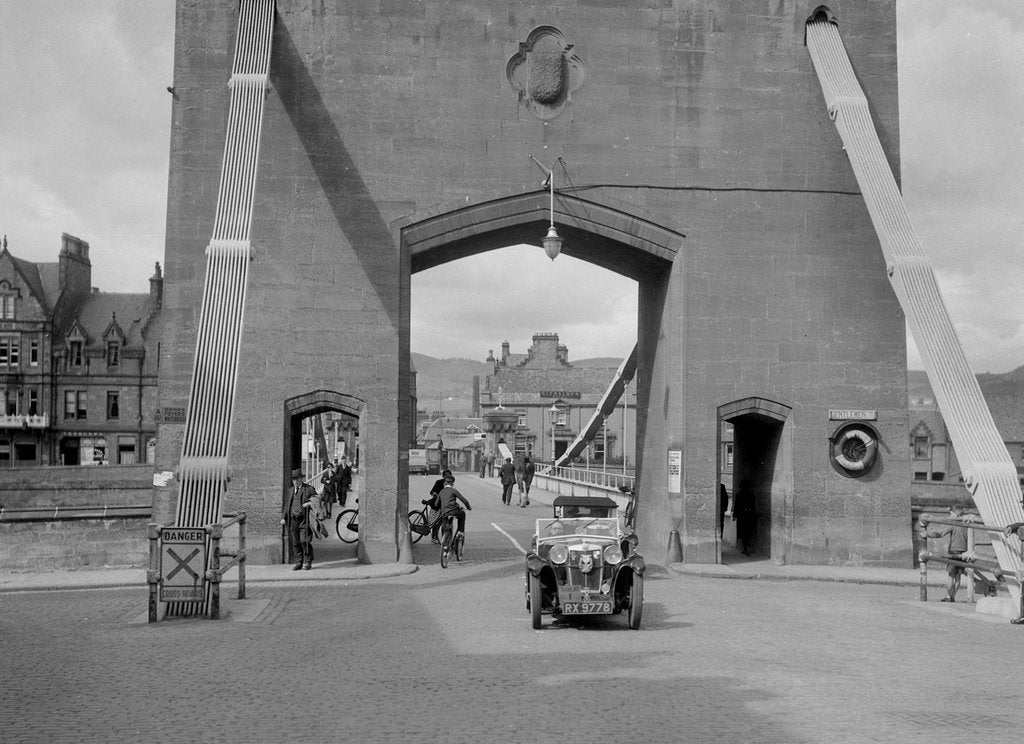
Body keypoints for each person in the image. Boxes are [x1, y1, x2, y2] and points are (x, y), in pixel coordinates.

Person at [923, 504, 970, 602]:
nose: (950, 516)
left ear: (954, 514)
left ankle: (948, 596)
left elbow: (941, 533)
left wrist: (927, 534)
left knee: (950, 575)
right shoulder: (966, 523)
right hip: (964, 552)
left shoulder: (954, 523)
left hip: (953, 552)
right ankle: (953, 596)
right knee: (958, 576)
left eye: (951, 514)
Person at [281, 468, 317, 570]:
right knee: (296, 542)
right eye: (294, 479)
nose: (295, 481)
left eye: (297, 479)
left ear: (301, 479)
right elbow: (287, 505)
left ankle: (308, 561)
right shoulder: (291, 490)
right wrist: (284, 517)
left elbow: (317, 498)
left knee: (304, 541)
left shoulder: (309, 489)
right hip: (293, 520)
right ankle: (299, 562)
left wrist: (309, 503)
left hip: (304, 520)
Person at [434, 471, 472, 537]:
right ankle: (461, 531)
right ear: (452, 484)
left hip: (444, 512)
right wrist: (468, 507)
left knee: (444, 524)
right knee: (462, 514)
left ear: (445, 483)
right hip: (453, 511)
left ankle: (444, 539)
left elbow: (436, 504)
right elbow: (465, 501)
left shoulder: (441, 491)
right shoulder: (453, 490)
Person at [426, 469, 454, 543]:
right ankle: (434, 537)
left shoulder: (450, 484)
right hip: (436, 505)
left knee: (444, 522)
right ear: (443, 476)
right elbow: (432, 492)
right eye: (446, 476)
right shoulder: (438, 482)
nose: (447, 477)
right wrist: (435, 494)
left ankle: (444, 538)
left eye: (449, 476)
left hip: (445, 506)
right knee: (435, 522)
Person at [733, 479, 755, 556]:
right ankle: (747, 547)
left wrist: (734, 515)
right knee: (748, 533)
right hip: (748, 516)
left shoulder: (739, 495)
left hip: (743, 517)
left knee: (744, 533)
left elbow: (736, 506)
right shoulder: (751, 494)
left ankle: (746, 547)